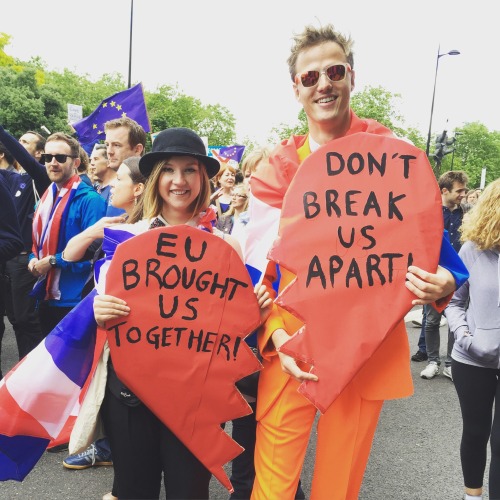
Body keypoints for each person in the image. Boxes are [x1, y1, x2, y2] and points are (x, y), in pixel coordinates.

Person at [248, 24, 466, 500]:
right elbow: (250, 273)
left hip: (364, 346)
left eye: (334, 71)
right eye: (310, 77)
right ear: (296, 88)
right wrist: (278, 337)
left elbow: (445, 260)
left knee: (338, 487)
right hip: (290, 346)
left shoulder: (395, 159)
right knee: (272, 488)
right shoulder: (276, 172)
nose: (323, 83)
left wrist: (444, 280)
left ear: (351, 76)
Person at [89, 127, 271, 500]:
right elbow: (104, 312)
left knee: (189, 492)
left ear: (203, 178)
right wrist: (97, 309)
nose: (179, 180)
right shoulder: (125, 238)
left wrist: (257, 311)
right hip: (131, 396)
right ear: (155, 178)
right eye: (169, 169)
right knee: (132, 491)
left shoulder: (225, 245)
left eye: (190, 170)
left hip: (198, 397)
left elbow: (235, 327)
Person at [445, 178, 500, 500]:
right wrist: (466, 338)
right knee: (476, 432)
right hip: (473, 360)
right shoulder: (472, 250)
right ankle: (472, 496)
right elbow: (454, 302)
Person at [27, 132, 106, 337]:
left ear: (76, 162)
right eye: (47, 157)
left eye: (60, 158)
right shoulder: (45, 198)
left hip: (76, 299)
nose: (53, 163)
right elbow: (37, 242)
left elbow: (94, 253)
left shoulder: (90, 200)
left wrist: (53, 261)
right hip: (45, 295)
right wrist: (33, 259)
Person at [420, 170, 468, 381]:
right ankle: (433, 362)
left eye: (465, 190)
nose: (463, 194)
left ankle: (450, 363)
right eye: (459, 190)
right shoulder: (428, 212)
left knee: (454, 320)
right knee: (431, 321)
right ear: (445, 190)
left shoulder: (467, 214)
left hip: (460, 278)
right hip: (434, 275)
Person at [216, 183, 250, 250]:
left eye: (238, 195)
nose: (234, 198)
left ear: (246, 199)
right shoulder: (223, 219)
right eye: (233, 195)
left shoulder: (249, 221)